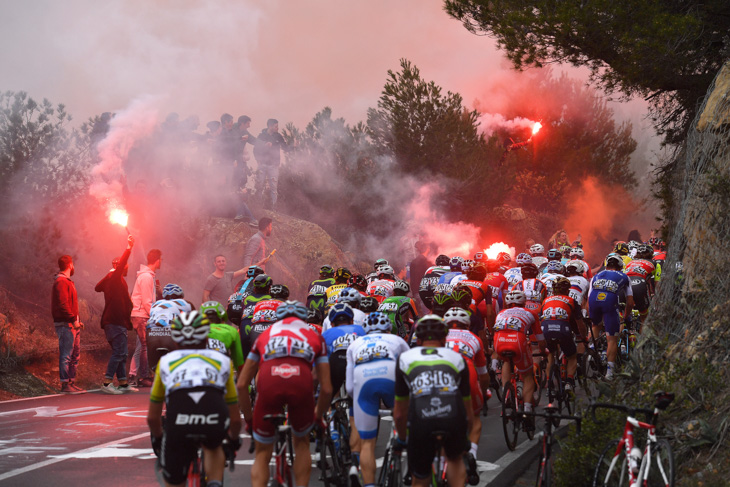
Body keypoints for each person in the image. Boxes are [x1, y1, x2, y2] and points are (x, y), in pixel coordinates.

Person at [237, 301, 332, 487]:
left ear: (277, 319)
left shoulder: (264, 336)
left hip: (269, 384)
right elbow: (327, 388)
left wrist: (249, 420)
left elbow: (241, 385)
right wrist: (318, 417)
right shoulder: (314, 335)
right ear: (304, 318)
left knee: (263, 452)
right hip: (300, 384)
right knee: (302, 443)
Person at [147, 311, 242, 487]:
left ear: (174, 340)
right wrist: (234, 439)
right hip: (213, 417)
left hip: (179, 422)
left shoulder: (166, 362)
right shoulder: (222, 361)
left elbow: (153, 417)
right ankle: (214, 482)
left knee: (174, 477)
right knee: (214, 446)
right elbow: (235, 418)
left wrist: (160, 439)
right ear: (207, 337)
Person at [393, 315, 473, 487]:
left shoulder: (406, 358)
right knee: (454, 459)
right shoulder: (456, 358)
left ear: (418, 339)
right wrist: (466, 437)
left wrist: (402, 439)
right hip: (452, 417)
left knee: (420, 478)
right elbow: (468, 409)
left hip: (421, 421)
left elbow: (400, 413)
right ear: (444, 339)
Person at [345, 311, 409, 487]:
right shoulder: (397, 341)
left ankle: (369, 484)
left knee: (367, 444)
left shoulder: (355, 344)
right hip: (391, 379)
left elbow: (350, 388)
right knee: (406, 417)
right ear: (389, 329)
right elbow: (410, 370)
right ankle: (407, 452)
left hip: (364, 382)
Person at [493, 291, 546, 429]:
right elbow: (539, 338)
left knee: (505, 361)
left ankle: (507, 394)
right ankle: (527, 411)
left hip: (499, 341)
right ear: (524, 302)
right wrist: (544, 351)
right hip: (517, 341)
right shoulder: (530, 313)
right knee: (528, 375)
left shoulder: (501, 313)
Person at [95, 235, 138, 394]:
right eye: (124, 265)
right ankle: (107, 383)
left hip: (116, 322)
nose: (127, 267)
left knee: (121, 352)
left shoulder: (114, 279)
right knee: (119, 352)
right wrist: (129, 247)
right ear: (120, 266)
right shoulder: (114, 277)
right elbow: (98, 286)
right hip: (114, 322)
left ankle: (123, 383)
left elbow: (97, 287)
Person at [589, 254, 635, 380]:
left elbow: (589, 297)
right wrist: (626, 316)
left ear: (606, 265)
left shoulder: (596, 276)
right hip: (609, 302)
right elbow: (630, 302)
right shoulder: (624, 276)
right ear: (620, 266)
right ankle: (609, 373)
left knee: (596, 325)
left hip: (593, 301)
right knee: (612, 339)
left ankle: (591, 350)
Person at [540, 277, 587, 393]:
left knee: (550, 354)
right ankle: (569, 382)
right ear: (567, 290)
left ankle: (548, 381)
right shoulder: (571, 300)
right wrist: (582, 336)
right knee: (572, 356)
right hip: (562, 329)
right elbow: (579, 323)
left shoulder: (546, 300)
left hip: (545, 329)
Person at [52, 254, 85, 394]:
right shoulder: (61, 282)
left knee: (74, 354)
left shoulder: (67, 281)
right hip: (66, 324)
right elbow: (63, 305)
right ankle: (65, 385)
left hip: (72, 323)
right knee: (66, 354)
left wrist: (76, 320)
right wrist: (73, 320)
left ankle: (71, 382)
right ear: (70, 265)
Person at [130, 248, 163, 387]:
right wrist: (155, 317)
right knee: (144, 346)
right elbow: (146, 301)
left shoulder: (149, 276)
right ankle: (143, 377)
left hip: (142, 314)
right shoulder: (146, 277)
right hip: (141, 315)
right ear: (157, 260)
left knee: (140, 346)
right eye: (161, 259)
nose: (162, 262)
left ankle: (132, 375)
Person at [146, 284, 194, 372]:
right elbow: (195, 321)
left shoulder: (155, 304)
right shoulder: (186, 303)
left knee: (155, 368)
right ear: (181, 295)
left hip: (152, 334)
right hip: (171, 335)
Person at [253, 118, 295, 209]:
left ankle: (273, 208)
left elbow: (285, 148)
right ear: (270, 126)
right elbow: (255, 149)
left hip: (273, 166)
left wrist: (294, 146)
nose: (277, 128)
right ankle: (257, 207)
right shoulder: (261, 136)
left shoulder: (278, 136)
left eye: (277, 126)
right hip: (262, 165)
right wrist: (258, 159)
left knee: (273, 188)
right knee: (259, 186)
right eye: (276, 126)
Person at [409, 241, 432, 314]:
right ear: (427, 249)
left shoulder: (413, 261)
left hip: (416, 292)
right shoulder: (426, 262)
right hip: (424, 292)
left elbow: (412, 279)